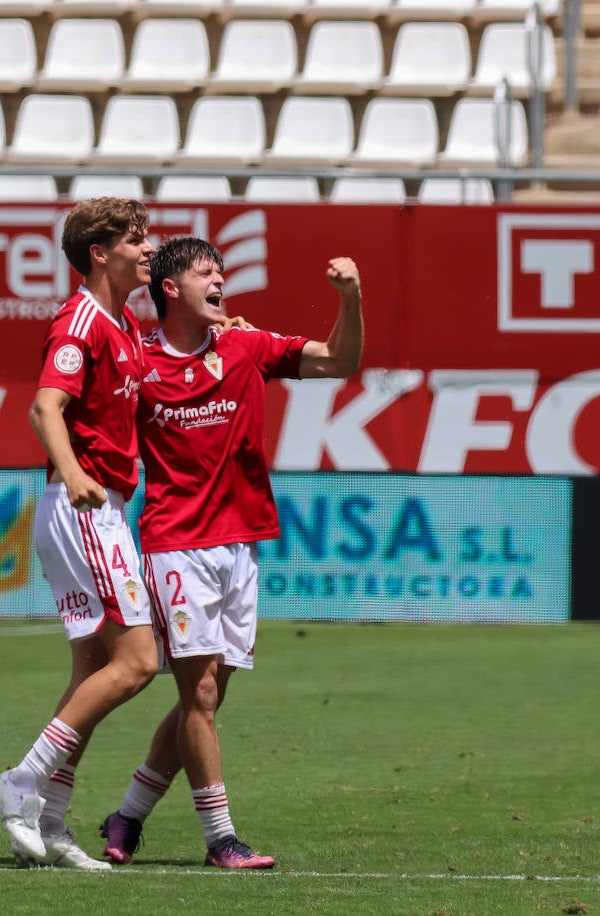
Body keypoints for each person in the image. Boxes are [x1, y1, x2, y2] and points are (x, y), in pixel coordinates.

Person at [98, 237, 364, 869]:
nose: (220, 278)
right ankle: (221, 839)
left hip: (239, 547)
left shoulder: (246, 346)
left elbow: (339, 362)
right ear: (170, 289)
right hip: (175, 546)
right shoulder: (138, 365)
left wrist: (351, 299)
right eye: (204, 271)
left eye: (221, 270)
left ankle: (128, 815)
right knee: (202, 699)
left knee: (210, 690)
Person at [0, 198, 158, 872]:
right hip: (86, 507)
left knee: (94, 668)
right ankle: (21, 783)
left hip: (102, 505)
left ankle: (51, 825)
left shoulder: (124, 325)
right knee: (139, 661)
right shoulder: (81, 319)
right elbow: (44, 406)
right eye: (136, 240)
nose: (149, 249)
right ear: (99, 252)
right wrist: (75, 472)